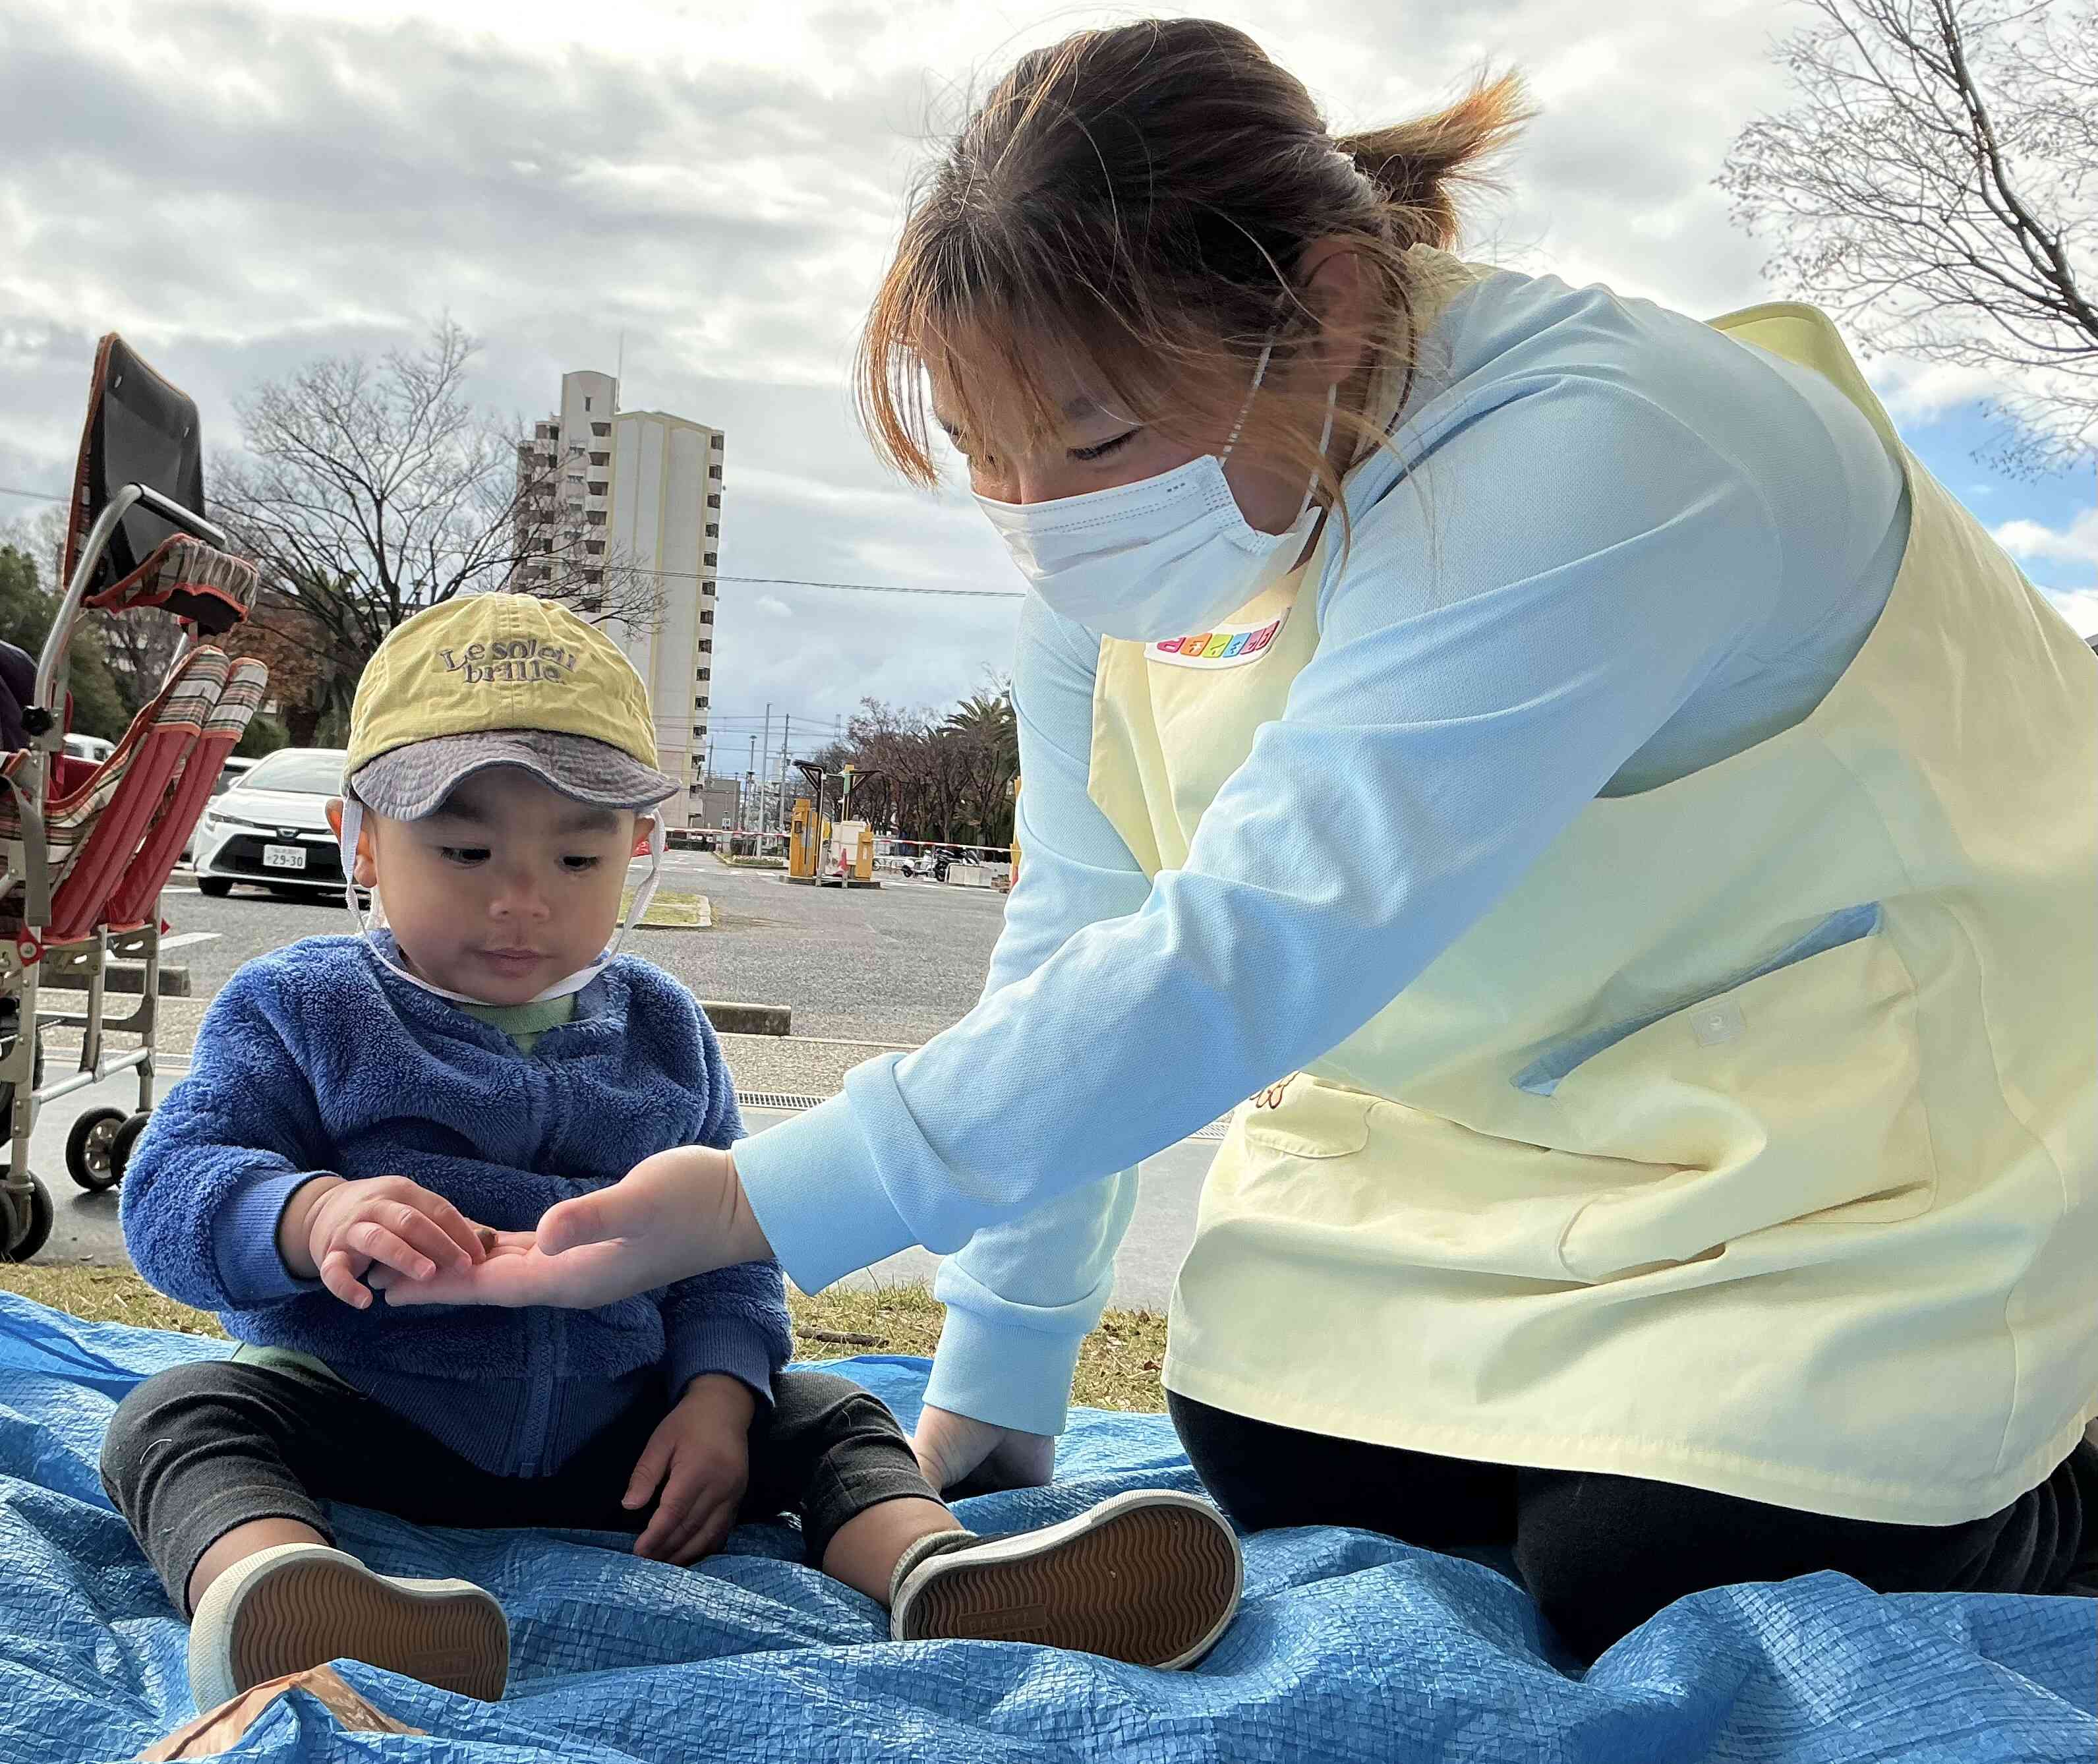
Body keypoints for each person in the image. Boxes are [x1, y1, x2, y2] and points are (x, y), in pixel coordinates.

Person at [392, 20, 2098, 1661]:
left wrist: (764, 1195)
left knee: (1662, 1554)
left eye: (1099, 438)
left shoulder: (1611, 443)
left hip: (1872, 1129)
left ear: (1334, 306)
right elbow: (1076, 935)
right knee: (1270, 1442)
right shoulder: (1144, 562)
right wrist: (998, 1367)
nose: (1050, 528)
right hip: (1510, 1160)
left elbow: (1268, 928)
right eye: (990, 460)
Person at [100, 593, 1240, 1713]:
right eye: (464, 847)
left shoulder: (662, 1028)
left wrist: (716, 1399)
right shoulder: (301, 1007)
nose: (520, 900)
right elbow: (171, 1188)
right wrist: (305, 1219)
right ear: (359, 838)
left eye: (578, 862)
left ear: (641, 851)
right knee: (178, 1413)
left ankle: (940, 1572)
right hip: (367, 1406)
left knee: (830, 1411)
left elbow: (728, 1257)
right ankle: (279, 1589)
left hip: (623, 1434)